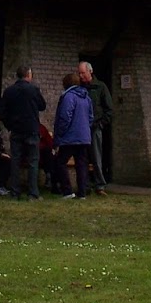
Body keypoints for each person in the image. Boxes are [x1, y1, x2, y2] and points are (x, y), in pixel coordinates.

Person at [0, 64, 46, 200]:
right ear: (28, 75)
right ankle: (33, 193)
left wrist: (10, 126)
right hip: (31, 129)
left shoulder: (9, 91)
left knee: (16, 161)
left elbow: (2, 113)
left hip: (16, 131)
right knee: (33, 161)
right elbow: (42, 106)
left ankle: (15, 192)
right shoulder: (33, 90)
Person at [53, 71, 93, 199]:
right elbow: (91, 117)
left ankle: (68, 191)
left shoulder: (69, 96)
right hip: (84, 137)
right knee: (81, 164)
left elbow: (65, 117)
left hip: (70, 137)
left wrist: (60, 133)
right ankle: (82, 193)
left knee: (60, 162)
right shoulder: (86, 97)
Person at [78, 60, 113, 194]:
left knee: (96, 157)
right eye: (79, 73)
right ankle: (85, 185)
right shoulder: (79, 87)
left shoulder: (100, 87)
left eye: (83, 72)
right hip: (81, 127)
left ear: (90, 71)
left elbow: (108, 109)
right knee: (82, 157)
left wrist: (101, 124)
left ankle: (100, 185)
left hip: (95, 126)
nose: (81, 75)